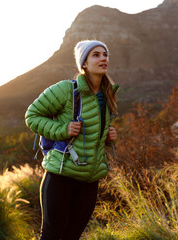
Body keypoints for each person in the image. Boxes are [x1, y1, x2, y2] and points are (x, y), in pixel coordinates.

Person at [25, 40, 119, 240]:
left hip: (90, 179)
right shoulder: (67, 90)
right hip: (61, 175)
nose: (103, 58)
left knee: (72, 236)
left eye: (105, 54)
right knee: (51, 235)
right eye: (96, 55)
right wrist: (62, 129)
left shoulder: (107, 93)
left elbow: (93, 136)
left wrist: (109, 138)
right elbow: (32, 116)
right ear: (83, 63)